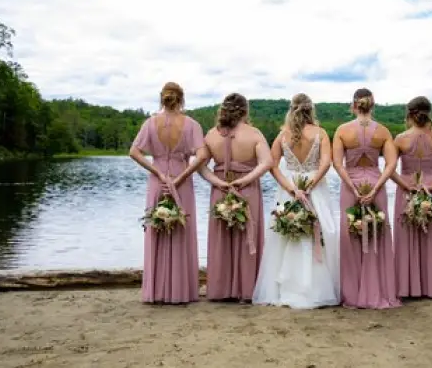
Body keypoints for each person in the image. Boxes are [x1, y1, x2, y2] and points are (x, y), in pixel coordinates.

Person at [252, 93, 340, 309]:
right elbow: (326, 163)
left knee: (286, 235)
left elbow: (271, 165)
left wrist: (291, 188)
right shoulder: (320, 133)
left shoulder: (283, 135)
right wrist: (309, 186)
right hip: (314, 189)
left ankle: (285, 289)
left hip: (289, 189)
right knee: (315, 234)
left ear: (291, 110)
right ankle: (313, 290)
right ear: (311, 110)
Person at [129, 82, 207, 304]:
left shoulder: (150, 123)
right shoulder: (191, 124)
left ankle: (157, 291)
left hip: (158, 178)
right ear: (181, 99)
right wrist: (181, 176)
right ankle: (180, 292)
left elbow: (134, 152)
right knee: (182, 229)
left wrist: (157, 171)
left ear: (161, 98)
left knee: (158, 229)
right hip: (181, 178)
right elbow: (201, 155)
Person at [332, 88, 401, 309]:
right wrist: (375, 188)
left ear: (353, 106)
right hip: (375, 183)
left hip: (350, 184)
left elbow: (337, 164)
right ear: (373, 105)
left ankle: (352, 294)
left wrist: (351, 186)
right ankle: (378, 291)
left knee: (350, 237)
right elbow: (391, 165)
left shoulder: (342, 131)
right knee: (377, 237)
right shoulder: (383, 131)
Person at [200, 93, 272, 302]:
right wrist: (245, 180)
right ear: (245, 110)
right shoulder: (254, 133)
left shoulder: (212, 134)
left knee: (220, 238)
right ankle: (246, 291)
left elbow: (200, 165)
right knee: (246, 235)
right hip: (246, 189)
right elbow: (266, 162)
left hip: (221, 189)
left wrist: (218, 182)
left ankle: (220, 291)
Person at [391, 95, 432, 299]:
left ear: (409, 114)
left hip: (406, 191)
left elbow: (390, 170)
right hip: (431, 191)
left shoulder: (400, 138)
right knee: (430, 238)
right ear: (429, 113)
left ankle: (407, 288)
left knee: (406, 237)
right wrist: (431, 186)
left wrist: (407, 186)